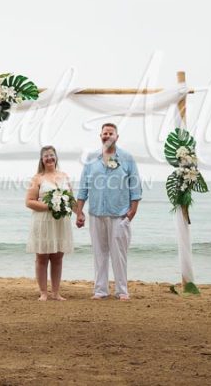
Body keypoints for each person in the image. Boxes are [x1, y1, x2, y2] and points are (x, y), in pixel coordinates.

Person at [75, 123, 142, 300]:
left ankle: (122, 291)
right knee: (99, 253)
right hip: (96, 213)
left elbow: (135, 185)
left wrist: (133, 211)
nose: (107, 135)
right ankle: (100, 290)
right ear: (101, 136)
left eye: (111, 133)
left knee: (119, 254)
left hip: (119, 214)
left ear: (117, 137)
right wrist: (79, 212)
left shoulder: (126, 158)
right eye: (104, 133)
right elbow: (84, 186)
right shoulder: (91, 158)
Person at [25, 146, 78, 301]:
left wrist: (79, 214)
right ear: (42, 160)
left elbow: (71, 200)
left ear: (56, 158)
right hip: (43, 222)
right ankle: (43, 292)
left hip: (60, 222)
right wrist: (50, 206)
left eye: (52, 155)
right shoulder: (37, 178)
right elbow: (29, 202)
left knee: (57, 257)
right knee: (42, 257)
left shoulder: (64, 176)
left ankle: (56, 292)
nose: (49, 158)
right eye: (46, 156)